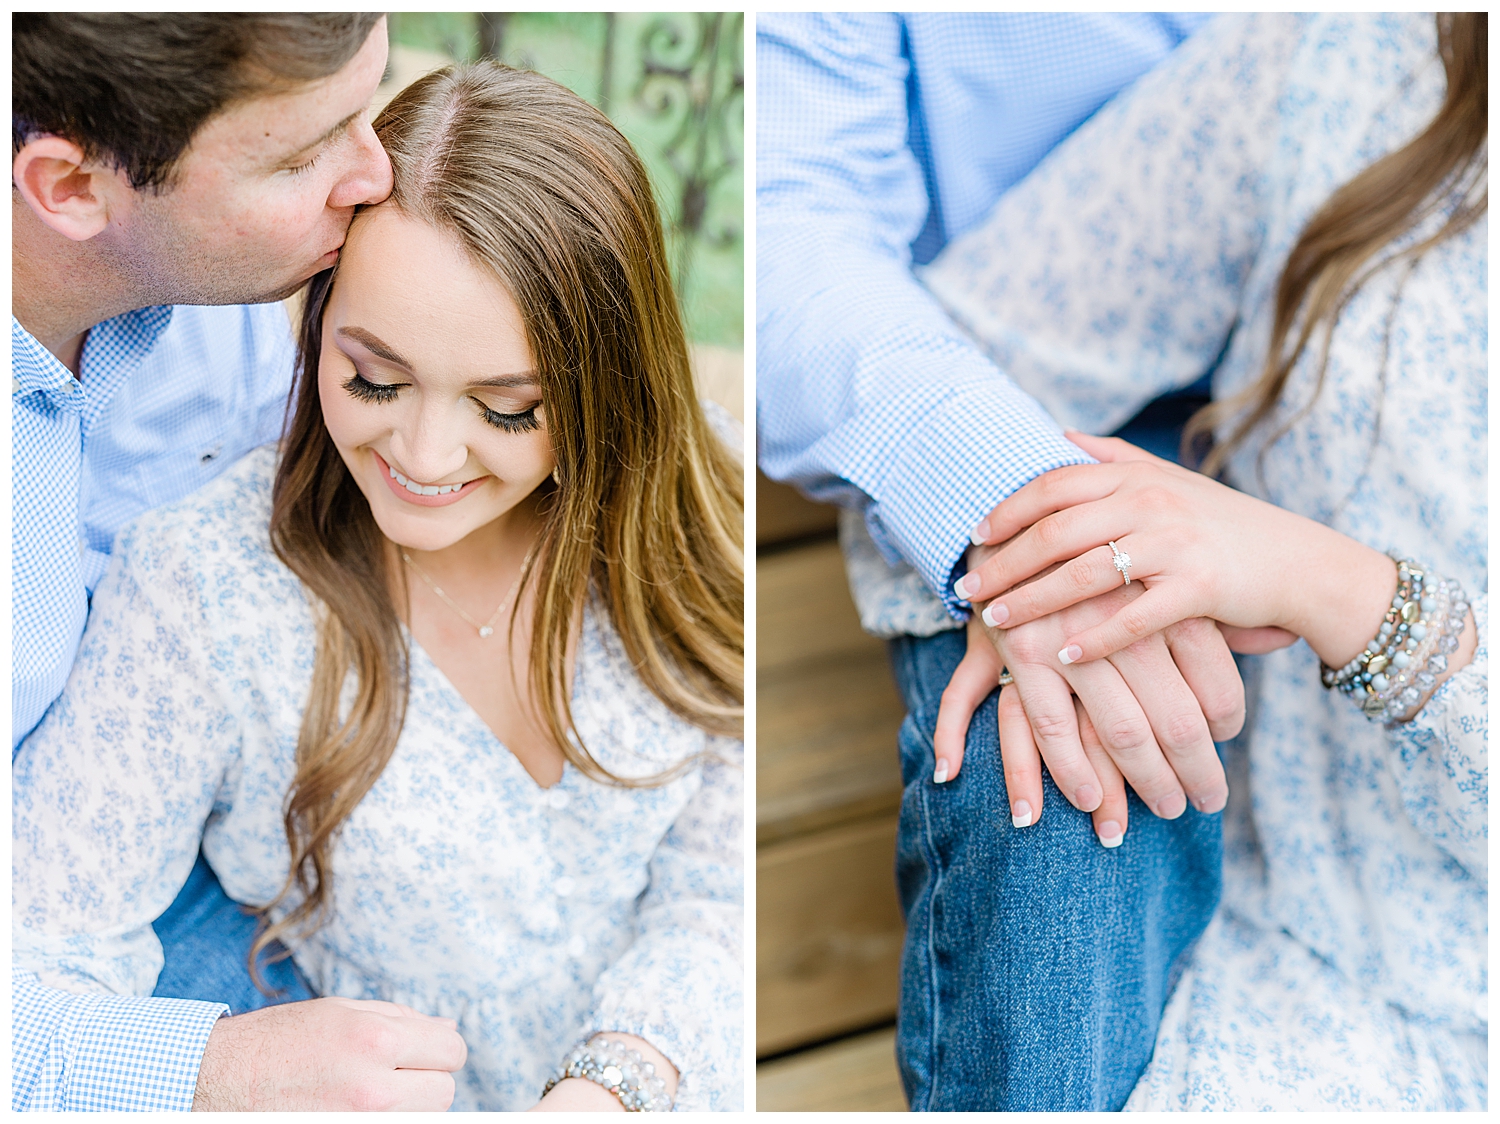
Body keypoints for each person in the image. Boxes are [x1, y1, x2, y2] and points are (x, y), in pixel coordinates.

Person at [14, 61, 746, 1112]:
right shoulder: (203, 591)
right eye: (374, 376)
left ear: (603, 386)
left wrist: (615, 1081)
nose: (425, 452)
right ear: (318, 324)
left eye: (506, 407)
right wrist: (222, 1068)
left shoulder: (685, 514)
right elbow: (45, 951)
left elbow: (716, 895)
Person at [921, 10, 1485, 1109]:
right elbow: (975, 353)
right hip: (1290, 984)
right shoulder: (1349, 57)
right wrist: (1036, 537)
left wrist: (1345, 593)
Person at [757, 13, 1241, 1109]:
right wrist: (1015, 500)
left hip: (1386, 390)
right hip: (1029, 402)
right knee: (1067, 785)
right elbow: (791, 218)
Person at [11, 13, 479, 1111]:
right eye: (300, 154)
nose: (370, 175)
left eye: (372, 105)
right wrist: (214, 1069)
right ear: (73, 188)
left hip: (213, 842)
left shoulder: (217, 285)